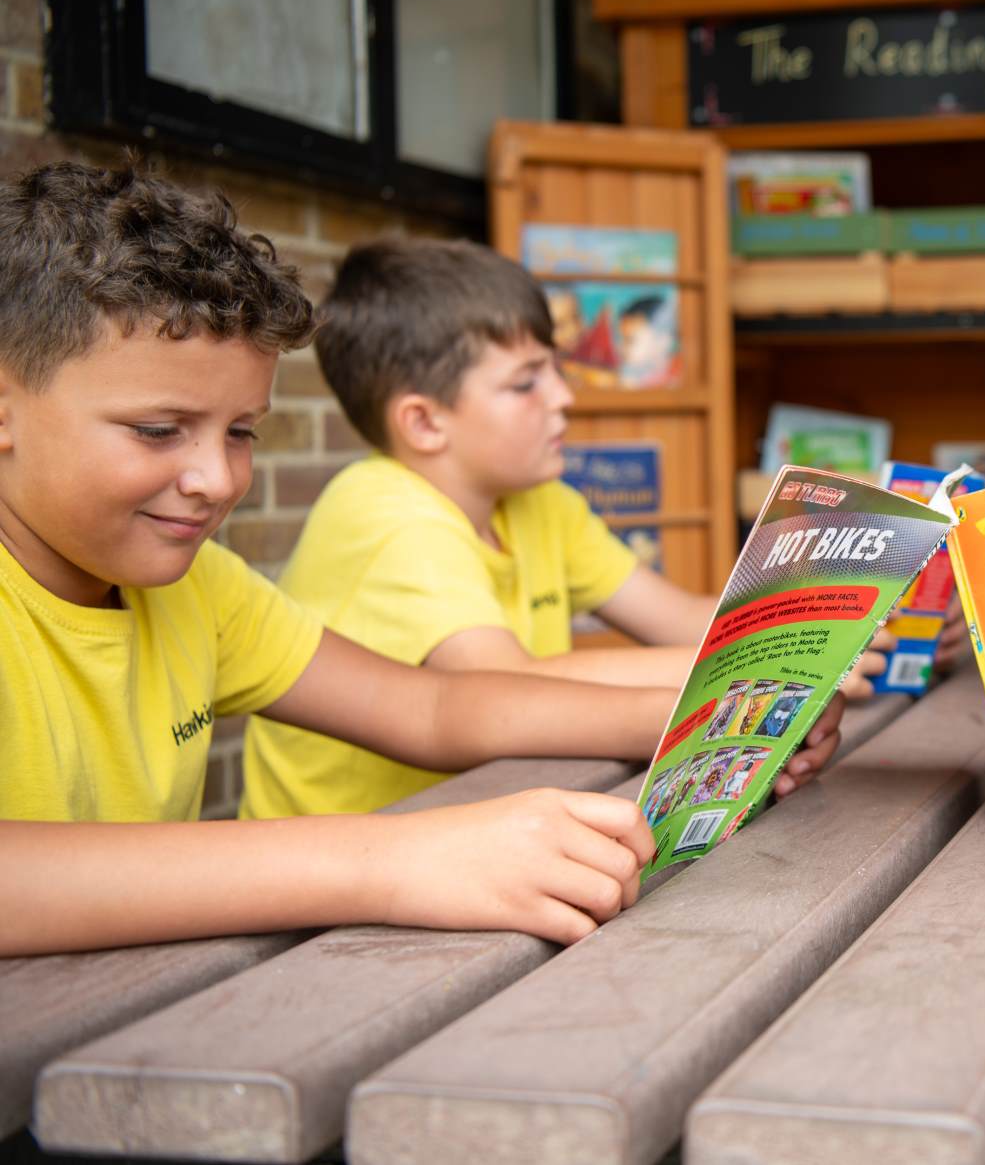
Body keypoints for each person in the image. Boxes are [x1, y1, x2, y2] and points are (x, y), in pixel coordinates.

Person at [0, 163, 689, 956]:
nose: (217, 480)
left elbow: (431, 709)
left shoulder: (206, 586)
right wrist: (394, 858)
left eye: (241, 432)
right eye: (158, 430)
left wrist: (710, 710)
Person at [241, 240, 855, 819]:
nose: (564, 396)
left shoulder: (538, 502)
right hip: (343, 890)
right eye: (526, 381)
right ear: (425, 423)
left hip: (474, 828)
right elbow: (502, 685)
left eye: (556, 370)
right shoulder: (381, 512)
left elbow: (681, 618)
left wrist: (832, 624)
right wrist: (759, 668)